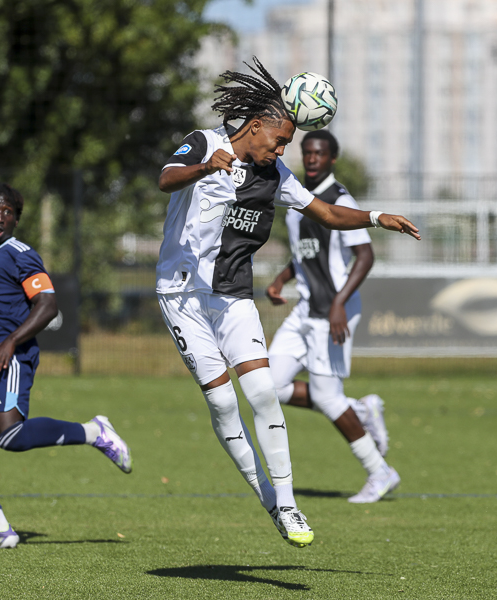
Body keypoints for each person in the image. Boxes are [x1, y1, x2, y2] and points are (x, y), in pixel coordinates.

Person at [156, 57, 419, 548]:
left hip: (232, 294)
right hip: (181, 294)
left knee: (262, 391)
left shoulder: (275, 173)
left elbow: (327, 213)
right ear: (256, 126)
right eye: (279, 141)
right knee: (222, 402)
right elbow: (166, 178)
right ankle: (268, 499)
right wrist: (204, 168)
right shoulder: (205, 143)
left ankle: (287, 502)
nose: (282, 151)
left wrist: (376, 217)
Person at [0, 176, 132, 550]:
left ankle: (94, 432)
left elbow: (47, 306)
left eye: (8, 211)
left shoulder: (20, 254)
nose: (0, 216)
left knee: (8, 435)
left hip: (11, 359)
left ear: (16, 220)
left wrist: (10, 342)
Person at [265, 129, 396, 504]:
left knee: (327, 397)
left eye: (319, 153)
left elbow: (365, 256)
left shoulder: (340, 198)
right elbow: (305, 253)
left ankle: (380, 472)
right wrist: (283, 277)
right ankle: (358, 409)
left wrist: (340, 302)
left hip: (334, 311)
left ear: (332, 158)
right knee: (268, 385)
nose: (312, 158)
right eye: (307, 152)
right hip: (306, 308)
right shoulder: (297, 196)